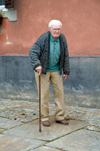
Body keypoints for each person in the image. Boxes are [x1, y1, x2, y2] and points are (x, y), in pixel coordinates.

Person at [29, 20, 70, 127]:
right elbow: (32, 52)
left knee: (60, 94)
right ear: (50, 29)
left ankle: (60, 117)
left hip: (56, 70)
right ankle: (45, 118)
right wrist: (37, 65)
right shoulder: (44, 38)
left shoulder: (62, 38)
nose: (57, 31)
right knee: (44, 95)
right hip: (43, 71)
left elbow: (65, 54)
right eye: (55, 29)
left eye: (59, 29)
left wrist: (66, 70)